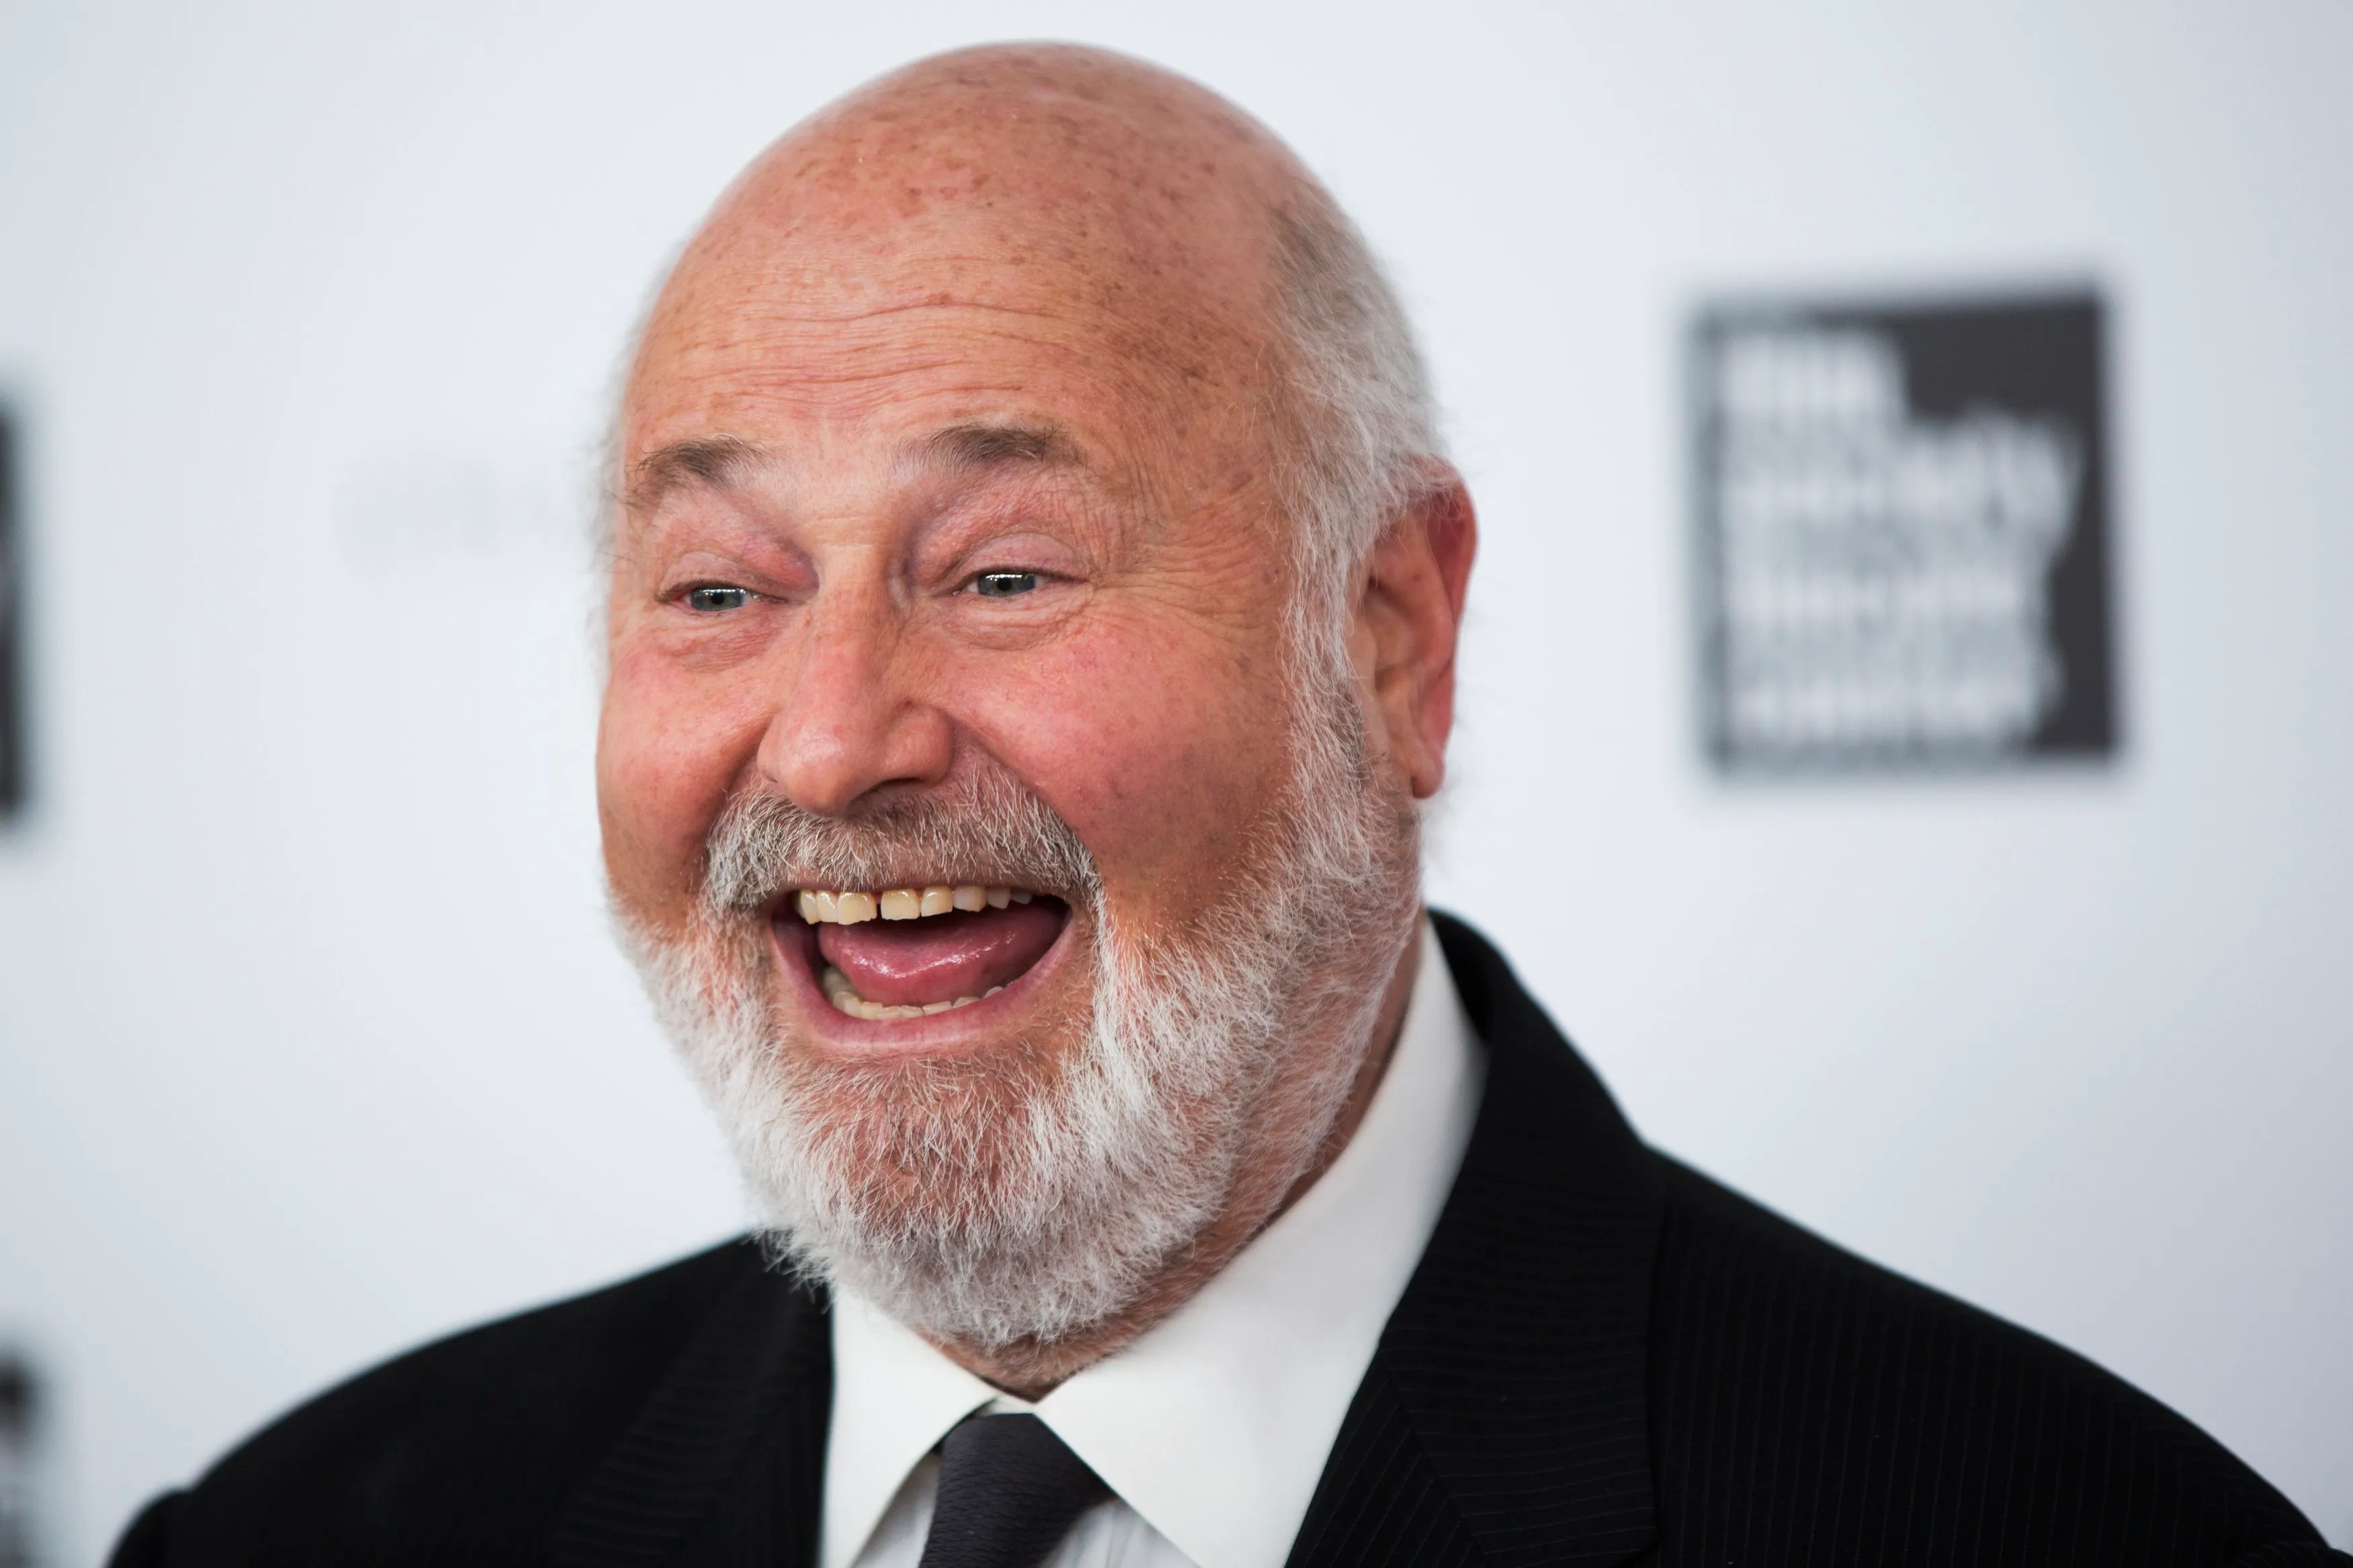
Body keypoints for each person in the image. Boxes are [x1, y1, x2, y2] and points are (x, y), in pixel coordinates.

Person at [109, 43, 2340, 1568]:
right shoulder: (307, 1530)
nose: (825, 742)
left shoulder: (2051, 1526)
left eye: (1000, 571)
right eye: (717, 586)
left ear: (1386, 638)